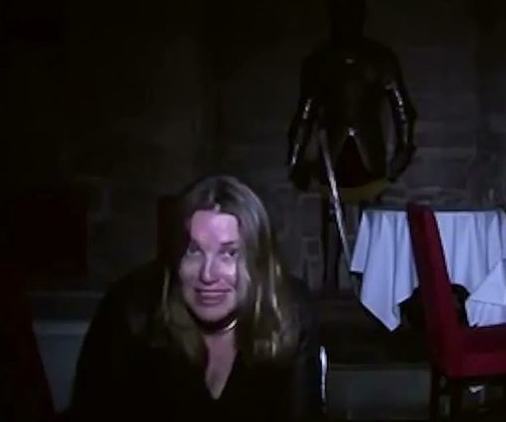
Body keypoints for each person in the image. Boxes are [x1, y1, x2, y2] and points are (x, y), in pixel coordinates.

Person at [67, 175, 323, 421]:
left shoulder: (290, 311)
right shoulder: (132, 310)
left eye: (229, 253)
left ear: (258, 263)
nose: (207, 275)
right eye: (194, 251)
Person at [287, 0, 416, 294]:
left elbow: (402, 109)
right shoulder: (320, 60)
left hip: (368, 146)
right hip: (332, 147)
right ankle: (330, 282)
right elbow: (305, 113)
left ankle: (373, 284)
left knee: (372, 216)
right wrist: (295, 157)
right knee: (332, 213)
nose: (346, 22)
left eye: (352, 16)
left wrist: (404, 148)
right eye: (341, 16)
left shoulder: (380, 58)